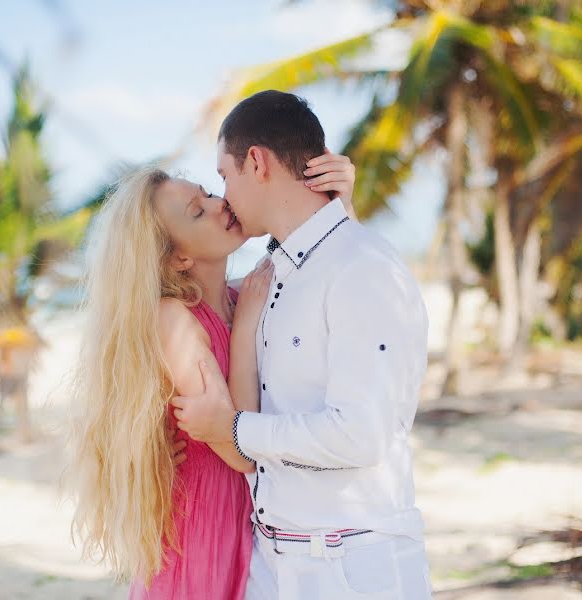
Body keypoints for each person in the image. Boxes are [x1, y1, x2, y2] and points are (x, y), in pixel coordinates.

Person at [172, 90, 433, 600]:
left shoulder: (362, 268)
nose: (223, 197)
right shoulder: (268, 278)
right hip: (272, 561)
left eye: (224, 177)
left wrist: (234, 429)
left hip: (352, 567)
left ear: (256, 162)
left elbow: (360, 434)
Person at [66, 146, 357, 599]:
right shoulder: (174, 317)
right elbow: (239, 452)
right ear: (178, 259)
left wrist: (343, 206)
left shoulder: (249, 295)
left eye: (207, 193)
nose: (220, 204)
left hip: (255, 520)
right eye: (197, 212)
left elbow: (339, 286)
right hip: (203, 523)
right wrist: (243, 330)